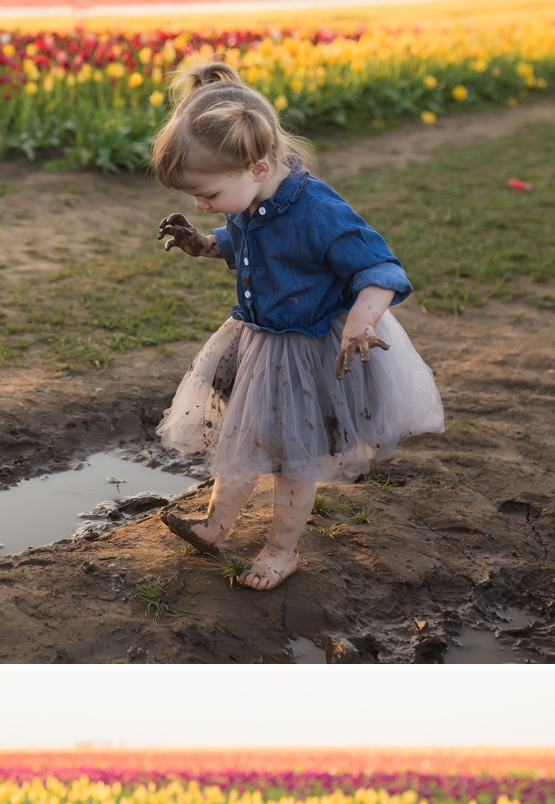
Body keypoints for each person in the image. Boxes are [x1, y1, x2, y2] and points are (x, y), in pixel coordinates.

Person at [151, 59, 444, 590]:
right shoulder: (252, 195)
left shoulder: (318, 210)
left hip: (311, 351)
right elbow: (248, 238)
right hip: (259, 342)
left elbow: (380, 269)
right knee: (241, 437)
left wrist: (361, 320)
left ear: (259, 166)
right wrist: (208, 242)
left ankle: (281, 551)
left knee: (294, 459)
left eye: (209, 196)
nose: (201, 204)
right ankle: (216, 527)